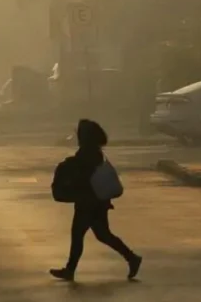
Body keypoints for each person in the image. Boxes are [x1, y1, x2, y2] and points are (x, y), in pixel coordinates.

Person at [50, 119, 142, 282]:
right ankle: (131, 258)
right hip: (94, 201)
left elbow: (82, 172)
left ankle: (70, 270)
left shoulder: (88, 152)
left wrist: (67, 165)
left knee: (80, 235)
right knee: (102, 235)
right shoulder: (94, 151)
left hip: (89, 201)